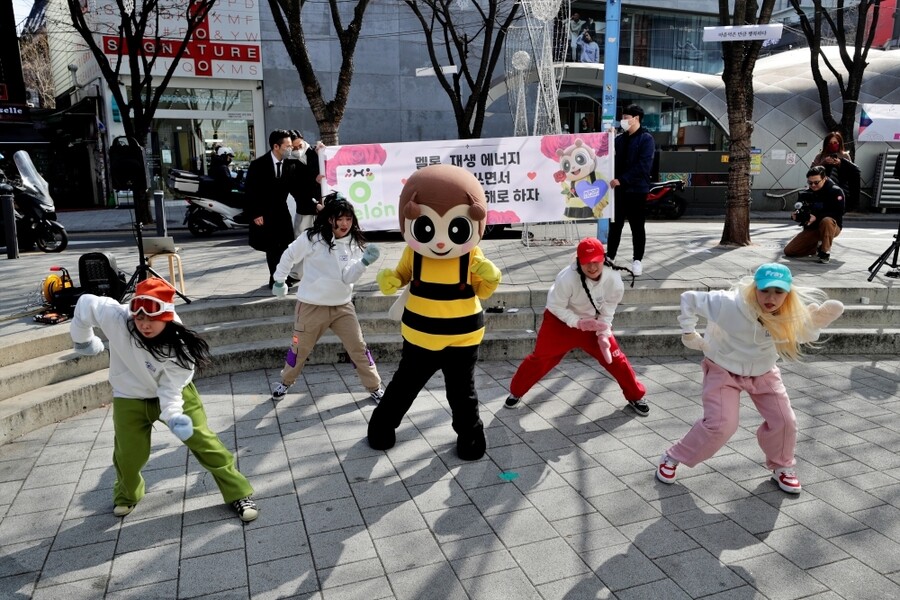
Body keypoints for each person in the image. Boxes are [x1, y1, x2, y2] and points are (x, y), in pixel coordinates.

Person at [69, 278, 259, 521]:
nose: (144, 325)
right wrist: (83, 341)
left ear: (166, 316)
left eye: (152, 319)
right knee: (128, 455)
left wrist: (173, 416)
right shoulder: (116, 317)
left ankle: (238, 492)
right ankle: (127, 495)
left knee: (204, 443)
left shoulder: (180, 347)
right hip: (130, 396)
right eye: (139, 318)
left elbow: (170, 390)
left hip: (175, 396)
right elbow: (85, 304)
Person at [656, 263, 844, 494]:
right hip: (723, 369)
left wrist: (812, 325)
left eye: (778, 292)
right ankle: (673, 457)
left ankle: (782, 467)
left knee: (785, 421)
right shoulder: (729, 303)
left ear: (788, 293)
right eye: (765, 290)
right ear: (755, 288)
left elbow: (800, 336)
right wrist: (688, 332)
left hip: (763, 372)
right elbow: (689, 298)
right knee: (721, 425)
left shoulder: (789, 312)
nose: (771, 298)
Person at [367, 165, 502, 461]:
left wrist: (490, 275)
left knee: (462, 393)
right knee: (404, 386)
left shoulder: (471, 255)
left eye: (456, 228)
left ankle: (471, 437)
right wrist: (390, 280)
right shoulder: (414, 253)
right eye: (427, 227)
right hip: (421, 338)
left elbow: (484, 290)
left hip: (462, 340)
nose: (441, 242)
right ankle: (381, 426)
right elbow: (401, 275)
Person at [505, 237, 649, 415]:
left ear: (603, 258)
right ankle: (516, 392)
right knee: (540, 358)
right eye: (586, 262)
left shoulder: (614, 280)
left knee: (616, 358)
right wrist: (578, 323)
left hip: (594, 323)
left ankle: (636, 395)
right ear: (578, 261)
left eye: (596, 261)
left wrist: (603, 331)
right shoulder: (567, 277)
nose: (592, 267)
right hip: (561, 322)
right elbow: (555, 306)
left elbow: (609, 308)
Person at [270, 193, 384, 402]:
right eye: (339, 219)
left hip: (342, 307)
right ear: (330, 218)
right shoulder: (311, 238)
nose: (344, 224)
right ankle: (285, 383)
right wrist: (279, 280)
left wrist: (363, 263)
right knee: (299, 349)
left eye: (348, 219)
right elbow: (289, 255)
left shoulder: (353, 243)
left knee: (359, 347)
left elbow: (347, 277)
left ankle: (374, 386)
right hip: (311, 306)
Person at [245, 129, 297, 289]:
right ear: (276, 146)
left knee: (287, 246)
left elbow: (301, 184)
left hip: (282, 211)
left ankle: (284, 276)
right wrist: (256, 213)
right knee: (272, 247)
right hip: (265, 213)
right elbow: (250, 191)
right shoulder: (258, 165)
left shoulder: (291, 164)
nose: (291, 149)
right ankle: (275, 279)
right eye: (287, 146)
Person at [608, 104, 655, 276]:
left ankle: (637, 260)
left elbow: (644, 166)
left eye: (626, 118)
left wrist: (622, 180)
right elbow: (607, 157)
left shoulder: (646, 139)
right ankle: (610, 257)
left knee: (637, 227)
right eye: (623, 118)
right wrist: (608, 139)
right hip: (618, 191)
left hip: (637, 191)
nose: (623, 121)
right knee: (615, 226)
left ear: (636, 119)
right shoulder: (619, 140)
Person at [784, 165, 844, 264]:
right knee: (789, 251)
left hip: (832, 227)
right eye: (810, 183)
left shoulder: (835, 191)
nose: (813, 185)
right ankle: (814, 247)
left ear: (824, 178)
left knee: (827, 221)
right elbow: (801, 209)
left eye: (816, 182)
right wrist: (796, 215)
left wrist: (816, 216)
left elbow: (838, 212)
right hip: (813, 228)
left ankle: (825, 252)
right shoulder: (806, 193)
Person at [811, 131, 860, 211]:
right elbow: (812, 171)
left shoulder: (845, 155)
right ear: (826, 144)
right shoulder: (820, 156)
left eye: (835, 142)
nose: (832, 145)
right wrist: (823, 163)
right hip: (823, 190)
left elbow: (852, 172)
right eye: (830, 143)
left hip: (840, 190)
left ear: (839, 143)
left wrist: (841, 163)